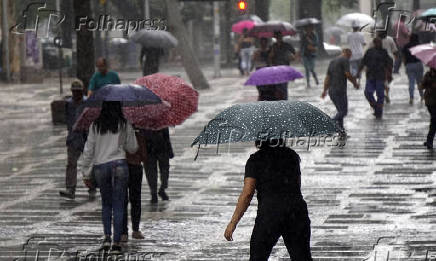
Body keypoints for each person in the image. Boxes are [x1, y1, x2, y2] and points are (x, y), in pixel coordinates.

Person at [224, 139, 313, 261]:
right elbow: (297, 185)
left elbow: (247, 193)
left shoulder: (256, 160)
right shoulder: (292, 156)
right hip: (296, 212)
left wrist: (233, 222)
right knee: (302, 257)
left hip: (270, 215)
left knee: (258, 257)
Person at [80, 101, 138, 253]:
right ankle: (117, 242)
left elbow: (88, 150)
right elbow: (133, 148)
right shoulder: (124, 124)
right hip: (120, 165)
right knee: (119, 204)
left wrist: (85, 172)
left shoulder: (95, 125)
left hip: (101, 167)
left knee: (106, 204)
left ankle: (107, 237)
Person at [59, 79, 92, 199]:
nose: (76, 94)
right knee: (71, 164)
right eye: (74, 91)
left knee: (89, 163)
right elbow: (68, 119)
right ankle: (70, 188)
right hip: (73, 138)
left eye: (78, 91)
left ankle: (92, 185)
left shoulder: (87, 102)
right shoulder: (69, 103)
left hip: (87, 137)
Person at [321, 49, 359, 137]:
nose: (349, 58)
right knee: (343, 111)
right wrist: (355, 83)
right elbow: (347, 74)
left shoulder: (332, 61)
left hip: (332, 91)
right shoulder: (345, 60)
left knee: (340, 111)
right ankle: (328, 125)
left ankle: (341, 132)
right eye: (350, 56)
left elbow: (327, 78)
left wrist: (324, 90)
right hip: (340, 90)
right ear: (347, 54)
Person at [121, 130, 148, 241]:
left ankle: (124, 233)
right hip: (135, 167)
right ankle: (135, 230)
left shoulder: (118, 133)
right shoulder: (139, 134)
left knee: (122, 200)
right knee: (136, 199)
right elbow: (144, 155)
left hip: (121, 167)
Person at [357, 37, 393, 119]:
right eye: (376, 42)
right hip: (370, 76)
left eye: (379, 42)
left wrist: (389, 74)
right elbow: (363, 62)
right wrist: (358, 72)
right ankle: (376, 106)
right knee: (367, 92)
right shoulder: (369, 52)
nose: (378, 44)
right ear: (374, 43)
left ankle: (379, 111)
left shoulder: (384, 52)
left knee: (380, 95)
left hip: (380, 76)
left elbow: (389, 64)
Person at [143, 128, 174, 204]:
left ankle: (162, 188)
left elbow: (166, 137)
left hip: (162, 149)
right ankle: (154, 193)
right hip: (149, 150)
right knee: (151, 173)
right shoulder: (143, 123)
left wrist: (169, 150)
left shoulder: (162, 122)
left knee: (164, 171)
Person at [370, 31, 398, 104]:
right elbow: (395, 50)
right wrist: (396, 59)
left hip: (378, 61)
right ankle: (386, 91)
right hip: (389, 61)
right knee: (387, 77)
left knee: (380, 77)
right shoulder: (390, 39)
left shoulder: (375, 40)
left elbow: (370, 50)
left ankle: (383, 89)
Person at [269, 31, 296, 99]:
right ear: (275, 37)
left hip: (285, 68)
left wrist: (291, 57)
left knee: (284, 86)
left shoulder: (287, 45)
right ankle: (280, 101)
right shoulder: (273, 46)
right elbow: (269, 58)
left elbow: (294, 55)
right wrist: (271, 54)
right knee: (277, 87)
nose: (279, 38)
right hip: (276, 69)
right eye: (277, 37)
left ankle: (285, 100)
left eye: (280, 36)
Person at [402, 33, 424, 105]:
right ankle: (422, 96)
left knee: (411, 82)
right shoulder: (420, 45)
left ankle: (411, 97)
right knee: (419, 82)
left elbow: (403, 57)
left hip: (409, 65)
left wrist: (405, 65)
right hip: (418, 64)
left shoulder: (406, 46)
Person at [419, 68, 436, 149]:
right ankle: (429, 141)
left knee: (434, 121)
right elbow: (421, 86)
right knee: (434, 120)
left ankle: (429, 140)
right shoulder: (428, 75)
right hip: (431, 102)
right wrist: (429, 83)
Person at [299, 24, 319, 88]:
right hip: (305, 54)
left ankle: (315, 76)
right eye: (307, 29)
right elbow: (301, 45)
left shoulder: (314, 35)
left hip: (312, 54)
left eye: (310, 28)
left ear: (312, 28)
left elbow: (316, 43)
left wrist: (310, 41)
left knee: (311, 68)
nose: (308, 30)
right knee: (307, 69)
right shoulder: (304, 36)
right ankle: (308, 83)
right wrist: (300, 55)